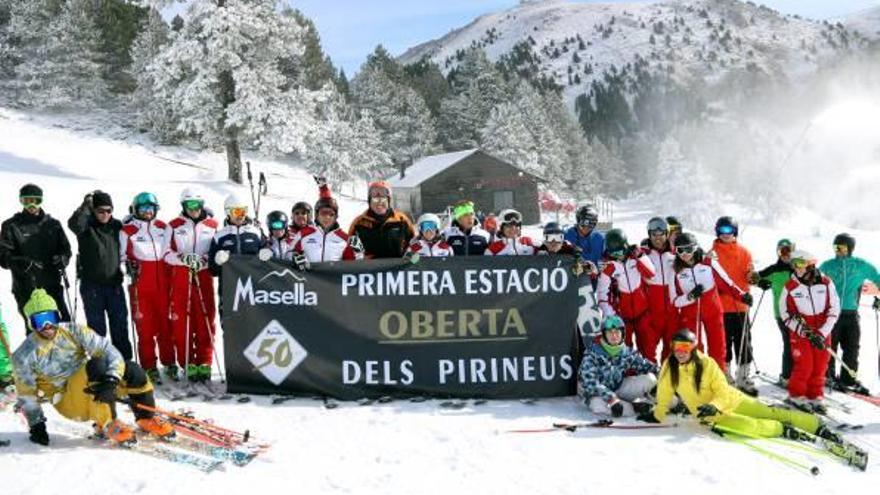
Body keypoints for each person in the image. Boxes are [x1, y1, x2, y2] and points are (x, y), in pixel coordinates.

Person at [12, 289, 173, 445]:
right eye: (39, 321)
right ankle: (108, 423)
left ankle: (146, 417)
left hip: (91, 381)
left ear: (57, 316)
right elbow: (27, 394)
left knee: (131, 369)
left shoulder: (73, 330)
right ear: (31, 323)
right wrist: (36, 426)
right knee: (96, 366)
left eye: (50, 318)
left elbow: (108, 351)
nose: (47, 326)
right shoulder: (24, 355)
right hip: (69, 401)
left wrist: (112, 379)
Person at [636, 329, 841, 446]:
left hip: (730, 400)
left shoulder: (706, 363)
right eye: (676, 347)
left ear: (693, 347)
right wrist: (657, 414)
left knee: (769, 412)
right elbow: (664, 392)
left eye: (685, 347)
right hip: (711, 416)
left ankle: (815, 425)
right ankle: (782, 429)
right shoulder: (669, 366)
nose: (680, 352)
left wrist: (715, 405)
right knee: (749, 426)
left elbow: (722, 390)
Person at [669, 232, 751, 372]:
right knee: (693, 346)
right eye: (680, 250)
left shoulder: (708, 263)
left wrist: (742, 296)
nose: (684, 254)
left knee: (718, 346)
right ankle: (696, 377)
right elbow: (675, 301)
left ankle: (717, 377)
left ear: (695, 248)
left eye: (688, 249)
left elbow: (726, 283)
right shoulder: (676, 271)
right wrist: (690, 297)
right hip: (690, 313)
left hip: (712, 310)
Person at [67, 190, 131, 360]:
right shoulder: (86, 227)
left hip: (114, 285)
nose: (105, 214)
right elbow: (74, 224)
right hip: (92, 286)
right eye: (100, 210)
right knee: (96, 329)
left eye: (109, 210)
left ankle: (123, 363)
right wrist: (85, 206)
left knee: (120, 327)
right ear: (93, 210)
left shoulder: (117, 226)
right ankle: (101, 364)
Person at [0, 183, 72, 331]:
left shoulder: (53, 224)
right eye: (27, 201)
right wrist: (21, 263)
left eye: (36, 200)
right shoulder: (11, 226)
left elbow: (65, 249)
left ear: (41, 201)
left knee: (63, 328)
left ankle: (65, 355)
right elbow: (3, 257)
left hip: (52, 286)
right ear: (21, 201)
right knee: (37, 331)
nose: (32, 205)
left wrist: (63, 259)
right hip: (26, 288)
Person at [165, 188, 219, 383]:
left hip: (203, 276)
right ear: (184, 206)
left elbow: (216, 252)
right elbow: (166, 253)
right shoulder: (174, 225)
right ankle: (187, 361)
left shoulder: (213, 225)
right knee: (182, 321)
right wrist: (183, 258)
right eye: (190, 206)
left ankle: (204, 361)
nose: (194, 209)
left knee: (205, 318)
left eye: (197, 205)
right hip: (181, 275)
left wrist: (203, 261)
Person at [120, 192, 173, 384]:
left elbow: (169, 252)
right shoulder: (127, 230)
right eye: (143, 209)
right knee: (145, 327)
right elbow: (121, 256)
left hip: (163, 283)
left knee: (165, 325)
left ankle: (169, 362)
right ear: (135, 210)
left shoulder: (163, 228)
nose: (147, 212)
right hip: (141, 284)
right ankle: (149, 365)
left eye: (151, 209)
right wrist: (127, 265)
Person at [818, 233, 880, 394]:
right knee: (830, 347)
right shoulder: (828, 265)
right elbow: (812, 282)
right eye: (835, 247)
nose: (838, 251)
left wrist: (878, 298)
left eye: (841, 248)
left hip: (851, 314)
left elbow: (878, 279)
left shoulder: (860, 265)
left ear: (850, 249)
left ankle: (848, 379)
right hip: (831, 313)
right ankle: (828, 376)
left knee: (852, 348)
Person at [781, 251, 840, 413]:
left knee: (821, 365)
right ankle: (796, 395)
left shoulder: (826, 283)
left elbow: (834, 309)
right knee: (805, 364)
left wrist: (822, 333)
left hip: (822, 329)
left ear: (810, 264)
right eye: (794, 265)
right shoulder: (790, 287)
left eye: (800, 264)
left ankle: (815, 396)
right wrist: (803, 331)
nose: (796, 268)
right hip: (802, 331)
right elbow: (785, 314)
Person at [711, 216, 759, 396]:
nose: (725, 234)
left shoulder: (744, 252)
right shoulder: (712, 253)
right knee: (724, 343)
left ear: (735, 232)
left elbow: (749, 274)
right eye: (722, 230)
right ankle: (725, 376)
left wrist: (753, 277)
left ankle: (744, 377)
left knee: (744, 342)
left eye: (729, 231)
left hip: (740, 306)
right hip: (720, 307)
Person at [596, 229, 658, 362]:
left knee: (648, 348)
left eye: (619, 252)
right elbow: (601, 295)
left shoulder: (635, 258)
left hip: (642, 312)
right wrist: (611, 314)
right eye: (613, 253)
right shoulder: (609, 266)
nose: (617, 256)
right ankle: (628, 378)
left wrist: (640, 256)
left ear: (625, 246)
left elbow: (651, 273)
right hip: (622, 316)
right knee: (624, 352)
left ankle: (652, 376)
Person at [579, 315, 658, 417]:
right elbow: (590, 383)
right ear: (604, 334)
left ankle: (640, 404)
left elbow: (644, 365)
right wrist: (611, 398)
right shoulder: (593, 353)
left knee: (650, 380)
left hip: (618, 387)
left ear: (623, 334)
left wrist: (660, 372)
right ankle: (634, 408)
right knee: (598, 406)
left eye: (617, 332)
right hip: (596, 393)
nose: (614, 335)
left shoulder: (625, 352)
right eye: (610, 332)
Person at [209, 194, 263, 315]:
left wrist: (267, 254)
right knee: (231, 327)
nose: (241, 215)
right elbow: (212, 270)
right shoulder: (220, 236)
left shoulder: (256, 233)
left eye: (244, 211)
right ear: (228, 212)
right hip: (229, 289)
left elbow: (268, 261)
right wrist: (217, 261)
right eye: (237, 212)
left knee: (254, 326)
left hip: (253, 288)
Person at [757, 239, 796, 387]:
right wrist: (761, 283)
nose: (786, 255)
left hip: (800, 314)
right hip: (781, 313)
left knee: (800, 345)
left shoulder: (799, 268)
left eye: (788, 251)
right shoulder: (774, 270)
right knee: (789, 344)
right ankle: (786, 377)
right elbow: (754, 277)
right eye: (782, 251)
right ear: (778, 253)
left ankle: (798, 375)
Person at [293, 184, 363, 264]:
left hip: (332, 276)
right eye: (323, 213)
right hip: (308, 276)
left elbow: (353, 265)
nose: (327, 217)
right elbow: (289, 253)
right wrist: (294, 257)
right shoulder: (303, 234)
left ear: (336, 217)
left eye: (331, 214)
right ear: (317, 215)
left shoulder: (344, 238)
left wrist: (358, 252)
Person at [641, 217, 679, 361]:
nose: (657, 238)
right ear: (649, 235)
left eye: (661, 234)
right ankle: (650, 379)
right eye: (654, 235)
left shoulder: (675, 254)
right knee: (648, 347)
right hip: (652, 308)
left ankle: (667, 376)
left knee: (670, 347)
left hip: (671, 307)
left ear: (667, 234)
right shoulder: (643, 254)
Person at [348, 181, 415, 259]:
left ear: (388, 201)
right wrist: (360, 258)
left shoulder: (402, 220)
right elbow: (350, 249)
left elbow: (415, 243)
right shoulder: (359, 223)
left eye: (383, 200)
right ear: (369, 201)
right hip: (371, 268)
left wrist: (412, 259)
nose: (379, 204)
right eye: (375, 200)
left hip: (397, 268)